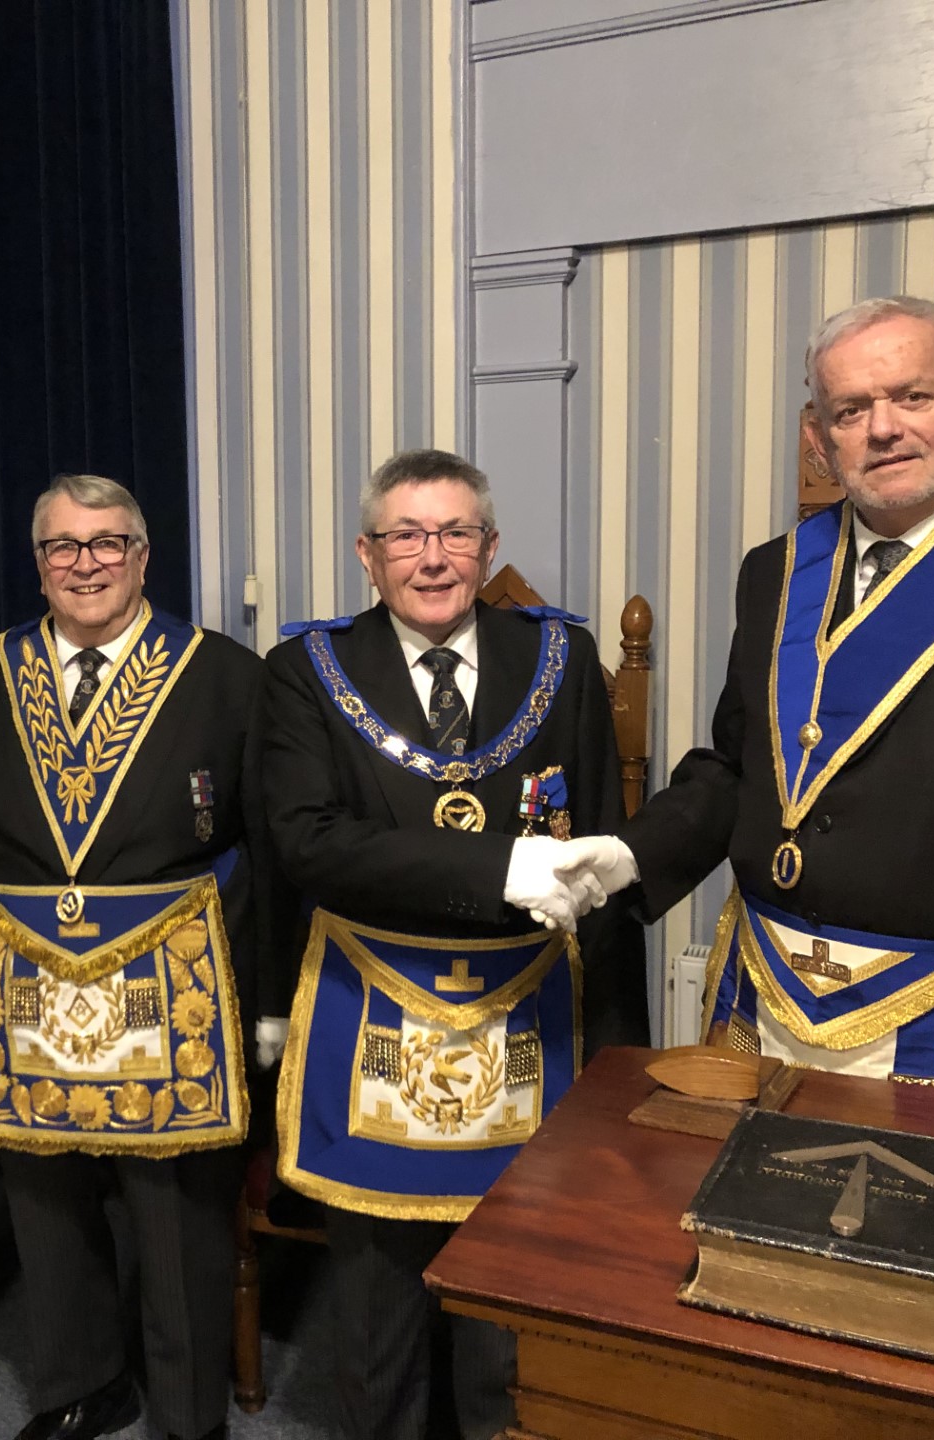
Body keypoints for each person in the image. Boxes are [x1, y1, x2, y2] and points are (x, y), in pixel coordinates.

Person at [559, 295, 934, 1112]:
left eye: (912, 397)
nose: (883, 428)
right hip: (765, 999)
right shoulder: (776, 571)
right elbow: (741, 768)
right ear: (820, 438)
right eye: (852, 409)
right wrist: (634, 854)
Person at [258, 447, 646, 1440]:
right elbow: (308, 844)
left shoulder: (561, 660)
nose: (431, 558)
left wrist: (618, 1054)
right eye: (406, 536)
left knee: (510, 1302)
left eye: (455, 533)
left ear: (488, 546)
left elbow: (602, 858)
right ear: (367, 553)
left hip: (529, 1025)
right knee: (376, 1310)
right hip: (371, 1016)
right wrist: (499, 871)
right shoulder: (305, 671)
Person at [0, 474, 265, 1440]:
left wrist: (256, 999)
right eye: (62, 547)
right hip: (24, 970)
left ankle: (185, 1412)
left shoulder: (224, 672)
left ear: (142, 556)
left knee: (176, 1210)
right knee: (44, 1193)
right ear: (38, 565)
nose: (85, 564)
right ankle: (80, 1384)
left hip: (175, 972)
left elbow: (267, 843)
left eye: (106, 544)